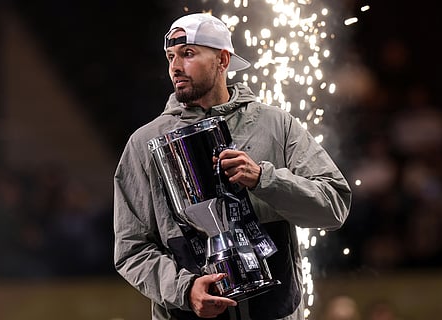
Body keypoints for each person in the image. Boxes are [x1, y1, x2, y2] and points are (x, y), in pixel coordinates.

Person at [114, 12, 352, 320]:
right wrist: (185, 290)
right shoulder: (143, 144)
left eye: (188, 54)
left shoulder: (276, 125)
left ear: (223, 60)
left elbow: (333, 207)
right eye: (171, 56)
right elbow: (130, 249)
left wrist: (264, 180)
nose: (175, 66)